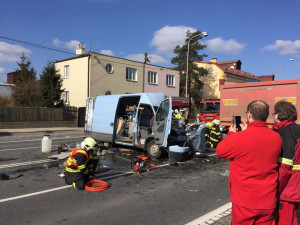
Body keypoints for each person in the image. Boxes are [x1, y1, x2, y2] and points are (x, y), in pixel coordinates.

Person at [216, 100, 282, 225]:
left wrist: (232, 134)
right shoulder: (276, 137)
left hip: (245, 200)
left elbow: (220, 151)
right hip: (268, 199)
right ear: (266, 115)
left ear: (249, 115)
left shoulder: (238, 138)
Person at [272, 100, 300, 225]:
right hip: (296, 187)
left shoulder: (286, 133)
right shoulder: (297, 129)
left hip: (289, 189)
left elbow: (284, 166)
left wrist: (275, 189)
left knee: (286, 220)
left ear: (278, 115)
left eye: (274, 114)